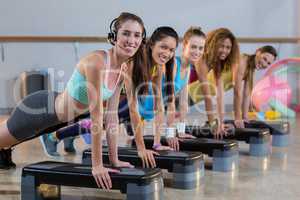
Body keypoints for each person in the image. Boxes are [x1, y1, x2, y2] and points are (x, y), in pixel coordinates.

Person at [0, 12, 158, 190]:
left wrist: (114, 160)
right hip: (40, 111)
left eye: (137, 35)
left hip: (58, 121)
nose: (131, 40)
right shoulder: (97, 62)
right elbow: (96, 118)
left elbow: (111, 118)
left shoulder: (122, 70)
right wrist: (97, 166)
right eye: (126, 33)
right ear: (114, 36)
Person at [192, 28, 240, 138]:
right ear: (214, 44)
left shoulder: (216, 61)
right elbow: (207, 96)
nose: (225, 50)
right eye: (221, 46)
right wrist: (213, 125)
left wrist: (221, 121)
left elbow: (220, 94)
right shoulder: (202, 59)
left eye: (228, 47)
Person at [234, 45, 277, 121]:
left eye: (268, 63)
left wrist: (245, 118)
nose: (265, 64)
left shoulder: (251, 70)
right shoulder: (243, 60)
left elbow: (246, 95)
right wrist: (237, 117)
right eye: (264, 58)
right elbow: (237, 91)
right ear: (258, 52)